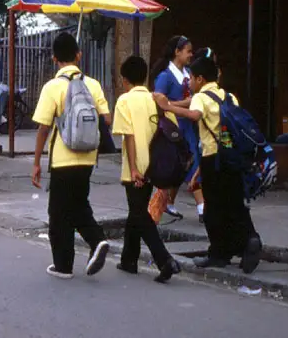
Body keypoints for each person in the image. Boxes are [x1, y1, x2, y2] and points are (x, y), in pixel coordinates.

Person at [154, 56, 263, 273]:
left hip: (213, 159)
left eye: (191, 78)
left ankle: (218, 254)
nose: (189, 82)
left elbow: (194, 115)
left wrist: (168, 107)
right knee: (234, 203)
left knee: (213, 209)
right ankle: (249, 240)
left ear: (200, 79)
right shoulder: (228, 96)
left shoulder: (201, 97)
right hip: (232, 157)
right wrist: (198, 172)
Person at [31, 32, 112, 279]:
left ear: (54, 58)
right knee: (77, 204)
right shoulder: (93, 85)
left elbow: (43, 127)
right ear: (79, 55)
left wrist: (36, 162)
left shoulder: (52, 87)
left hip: (62, 158)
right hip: (88, 157)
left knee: (58, 213)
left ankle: (64, 264)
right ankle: (96, 241)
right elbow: (106, 119)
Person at [112, 56, 181, 283]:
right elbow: (173, 129)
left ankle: (164, 260)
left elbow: (129, 136)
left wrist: (133, 168)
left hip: (137, 166)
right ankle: (129, 260)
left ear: (124, 80)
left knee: (140, 214)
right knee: (137, 210)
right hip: (157, 164)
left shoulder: (124, 101)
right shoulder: (157, 99)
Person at [150, 35, 204, 222]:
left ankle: (168, 203)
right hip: (173, 128)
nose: (191, 55)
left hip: (189, 125)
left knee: (181, 166)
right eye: (188, 51)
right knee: (191, 162)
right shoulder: (165, 76)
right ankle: (202, 206)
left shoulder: (189, 73)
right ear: (177, 52)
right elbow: (158, 101)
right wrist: (184, 103)